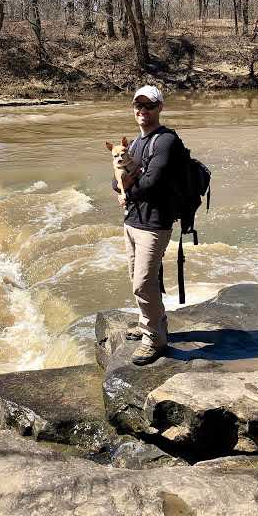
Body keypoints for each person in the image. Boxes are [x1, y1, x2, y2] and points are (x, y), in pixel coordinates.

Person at [113, 84, 179, 365]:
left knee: (143, 282)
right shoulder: (135, 144)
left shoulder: (166, 141)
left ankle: (155, 338)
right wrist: (124, 186)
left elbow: (152, 182)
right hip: (132, 221)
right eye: (138, 106)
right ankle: (149, 322)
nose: (143, 111)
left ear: (159, 108)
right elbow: (114, 180)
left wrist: (126, 187)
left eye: (149, 106)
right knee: (136, 279)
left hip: (154, 224)